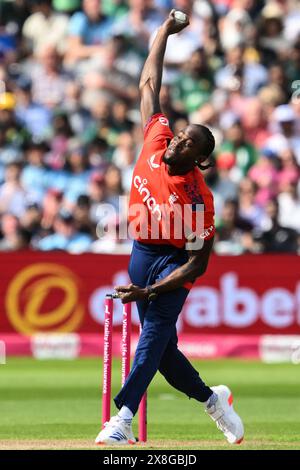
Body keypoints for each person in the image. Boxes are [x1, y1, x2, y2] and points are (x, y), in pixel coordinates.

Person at [95, 10, 244, 446]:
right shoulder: (156, 138)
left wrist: (151, 291)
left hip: (174, 262)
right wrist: (162, 32)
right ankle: (213, 399)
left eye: (189, 143)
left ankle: (122, 418)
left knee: (153, 335)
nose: (178, 140)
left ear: (199, 159)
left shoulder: (197, 197)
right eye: (181, 135)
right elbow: (148, 85)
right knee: (162, 356)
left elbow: (198, 263)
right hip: (141, 251)